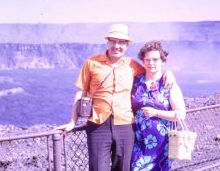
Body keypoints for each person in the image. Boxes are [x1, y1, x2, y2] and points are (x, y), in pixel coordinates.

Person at [55, 24, 175, 171]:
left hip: (125, 125)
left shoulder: (132, 65)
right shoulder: (91, 63)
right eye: (113, 41)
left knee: (123, 168)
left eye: (121, 42)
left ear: (127, 45)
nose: (117, 46)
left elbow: (152, 70)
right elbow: (80, 93)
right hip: (98, 125)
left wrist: (168, 73)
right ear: (108, 42)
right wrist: (72, 122)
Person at [130, 41, 186, 171]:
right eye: (147, 60)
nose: (151, 63)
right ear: (143, 62)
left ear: (162, 61)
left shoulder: (168, 84)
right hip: (139, 142)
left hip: (162, 146)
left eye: (155, 59)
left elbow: (181, 115)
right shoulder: (136, 82)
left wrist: (156, 113)